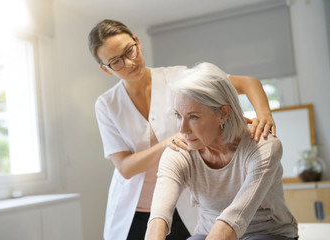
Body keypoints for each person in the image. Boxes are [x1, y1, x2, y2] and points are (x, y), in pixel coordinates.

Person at [88, 19, 277, 240]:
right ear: (106, 69)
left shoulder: (179, 78)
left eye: (129, 51)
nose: (129, 62)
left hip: (183, 203)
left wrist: (264, 115)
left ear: (137, 43)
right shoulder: (107, 104)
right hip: (134, 209)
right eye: (115, 61)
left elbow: (248, 83)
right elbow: (125, 168)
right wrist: (169, 142)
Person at [145, 62, 298, 240]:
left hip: (266, 233)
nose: (183, 129)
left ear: (223, 114)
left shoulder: (262, 147)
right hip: (207, 232)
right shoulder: (180, 149)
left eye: (193, 116)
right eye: (178, 115)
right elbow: (159, 215)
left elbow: (234, 219)